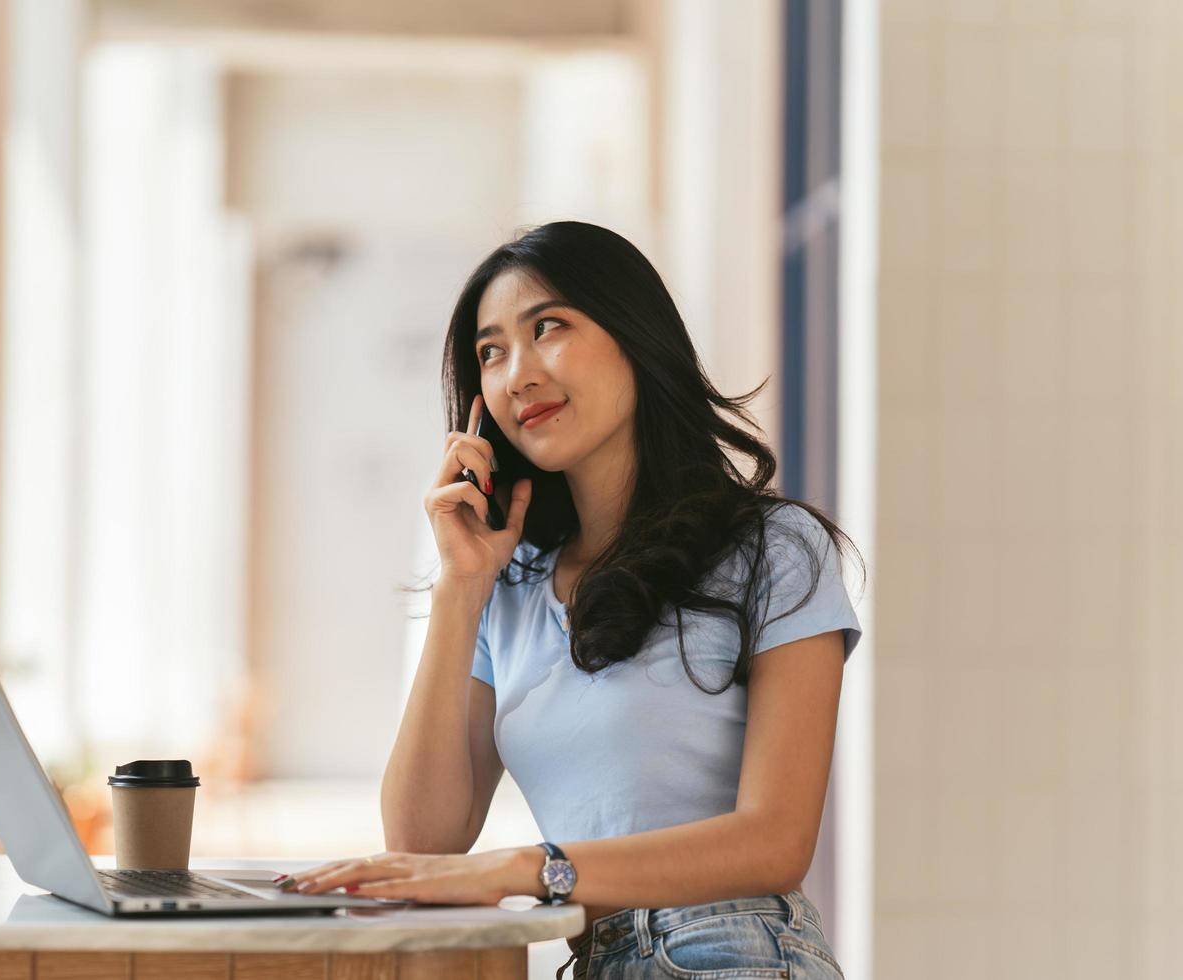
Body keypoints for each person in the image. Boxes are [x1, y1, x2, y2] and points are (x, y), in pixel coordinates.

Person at [279, 221, 863, 978]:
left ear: (634, 334)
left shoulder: (771, 549)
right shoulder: (506, 586)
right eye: (491, 352)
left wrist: (529, 868)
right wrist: (460, 590)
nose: (517, 375)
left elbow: (775, 843)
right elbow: (423, 845)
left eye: (547, 327)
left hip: (732, 948)